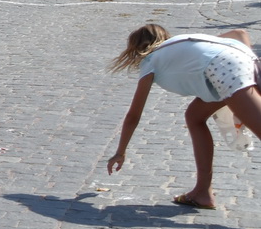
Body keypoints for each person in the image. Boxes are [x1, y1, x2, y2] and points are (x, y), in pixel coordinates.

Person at [106, 25, 261, 210]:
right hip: (248, 62)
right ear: (165, 36)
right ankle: (202, 192)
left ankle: (203, 191)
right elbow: (240, 34)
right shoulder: (186, 41)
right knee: (194, 116)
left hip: (227, 72)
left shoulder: (151, 60)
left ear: (136, 50)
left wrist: (120, 151)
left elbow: (134, 115)